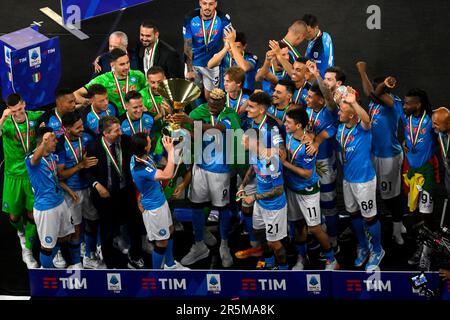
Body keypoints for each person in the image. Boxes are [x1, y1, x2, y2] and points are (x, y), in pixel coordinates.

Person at [172, 88, 241, 268]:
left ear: (223, 103)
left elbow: (218, 129)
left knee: (223, 207)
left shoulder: (230, 114)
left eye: (216, 104)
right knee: (196, 204)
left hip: (221, 169)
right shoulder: (198, 112)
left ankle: (224, 245)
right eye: (210, 102)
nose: (212, 106)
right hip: (200, 166)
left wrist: (191, 122)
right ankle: (199, 245)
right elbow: (191, 134)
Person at [374, 82, 437, 270]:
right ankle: (421, 246)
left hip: (427, 174)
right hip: (411, 173)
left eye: (408, 103)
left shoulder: (431, 119)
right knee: (415, 213)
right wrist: (384, 84)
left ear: (418, 105)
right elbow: (377, 94)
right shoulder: (405, 114)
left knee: (427, 215)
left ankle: (428, 252)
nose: (405, 106)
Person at [356, 61, 406, 245]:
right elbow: (371, 92)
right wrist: (363, 73)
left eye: (380, 90)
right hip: (374, 154)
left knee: (392, 195)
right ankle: (394, 224)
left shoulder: (395, 103)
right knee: (379, 192)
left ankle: (397, 227)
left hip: (389, 156)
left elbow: (374, 92)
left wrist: (378, 81)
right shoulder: (374, 103)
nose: (374, 94)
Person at [281, 108, 338, 270]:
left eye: (288, 122)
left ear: (298, 125)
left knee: (314, 227)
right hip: (292, 188)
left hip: (307, 191)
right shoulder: (290, 135)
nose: (285, 124)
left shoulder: (308, 147)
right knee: (298, 224)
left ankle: (331, 259)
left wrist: (285, 164)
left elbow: (306, 174)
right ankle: (301, 257)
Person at [335, 86, 385, 271]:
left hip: (364, 181)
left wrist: (354, 102)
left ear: (351, 115)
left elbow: (366, 119)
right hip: (348, 180)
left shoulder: (363, 129)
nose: (339, 112)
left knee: (369, 218)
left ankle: (378, 250)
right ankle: (363, 246)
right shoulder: (341, 127)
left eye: (342, 110)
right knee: (354, 214)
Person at [85, 116, 144, 269]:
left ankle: (135, 256)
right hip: (106, 195)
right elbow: (87, 171)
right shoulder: (93, 147)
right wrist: (97, 185)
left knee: (134, 225)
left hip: (126, 192)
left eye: (120, 129)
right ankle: (110, 262)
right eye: (116, 131)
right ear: (105, 133)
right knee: (107, 230)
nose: (120, 132)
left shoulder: (126, 141)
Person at [130, 133, 188, 270]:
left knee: (170, 231)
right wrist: (171, 152)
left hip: (160, 202)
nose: (152, 142)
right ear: (145, 148)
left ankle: (170, 264)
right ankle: (156, 275)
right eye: (149, 142)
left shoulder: (138, 157)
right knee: (161, 242)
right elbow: (167, 175)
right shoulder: (141, 168)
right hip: (154, 209)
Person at [56, 111, 105, 269]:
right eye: (77, 127)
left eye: (82, 125)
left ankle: (89, 256)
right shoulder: (60, 144)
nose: (82, 129)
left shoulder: (88, 137)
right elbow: (60, 174)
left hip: (89, 187)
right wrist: (80, 165)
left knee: (93, 221)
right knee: (76, 228)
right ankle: (77, 262)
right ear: (67, 128)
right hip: (72, 192)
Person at [0, 93, 43, 268]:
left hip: (32, 173)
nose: (18, 113)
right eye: (14, 110)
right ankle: (20, 232)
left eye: (20, 109)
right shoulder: (7, 123)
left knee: (32, 214)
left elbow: (53, 114)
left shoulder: (34, 116)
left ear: (24, 104)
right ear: (8, 109)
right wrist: (2, 119)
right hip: (13, 175)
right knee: (14, 215)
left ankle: (28, 249)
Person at [25, 127, 75, 268]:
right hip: (46, 208)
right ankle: (46, 273)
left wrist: (68, 189)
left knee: (65, 237)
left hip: (60, 202)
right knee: (47, 246)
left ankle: (57, 261)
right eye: (53, 140)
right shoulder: (31, 160)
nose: (56, 142)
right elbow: (35, 159)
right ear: (43, 142)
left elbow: (54, 178)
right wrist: (45, 142)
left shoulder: (52, 157)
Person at [239, 128, 288, 270]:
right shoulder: (255, 153)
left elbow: (278, 190)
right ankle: (270, 262)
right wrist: (242, 185)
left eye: (244, 140)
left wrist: (253, 197)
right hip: (260, 204)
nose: (242, 143)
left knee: (274, 243)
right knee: (259, 231)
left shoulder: (271, 160)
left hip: (274, 207)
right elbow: (253, 169)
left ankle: (284, 270)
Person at [303, 83, 340, 252]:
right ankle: (322, 232)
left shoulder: (329, 112)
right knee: (314, 201)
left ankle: (333, 238)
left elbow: (330, 130)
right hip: (311, 162)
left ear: (320, 100)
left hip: (324, 163)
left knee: (328, 201)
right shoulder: (310, 110)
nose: (306, 98)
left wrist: (317, 140)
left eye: (310, 97)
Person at [74, 48, 147, 116]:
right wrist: (88, 102)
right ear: (112, 65)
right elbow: (76, 94)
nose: (126, 67)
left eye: (127, 62)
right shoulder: (103, 79)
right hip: (114, 120)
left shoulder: (138, 75)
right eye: (122, 64)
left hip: (136, 117)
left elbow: (147, 93)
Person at [184, 0, 232, 99]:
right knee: (193, 95)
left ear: (216, 4)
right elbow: (187, 44)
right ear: (200, 3)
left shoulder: (223, 19)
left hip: (212, 63)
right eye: (204, 3)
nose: (207, 7)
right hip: (194, 62)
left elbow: (228, 42)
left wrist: (227, 65)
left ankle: (210, 114)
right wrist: (189, 69)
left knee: (210, 97)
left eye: (211, 4)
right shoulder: (190, 18)